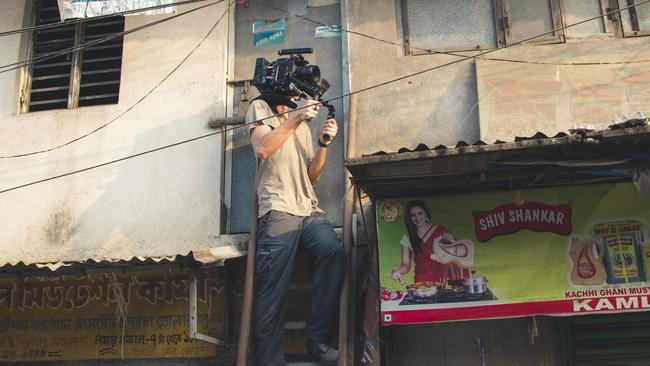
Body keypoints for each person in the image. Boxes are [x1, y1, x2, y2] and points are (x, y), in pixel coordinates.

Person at [248, 93, 346, 366]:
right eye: (295, 93)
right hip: (278, 209)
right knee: (272, 289)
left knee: (333, 253)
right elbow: (263, 149)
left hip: (308, 210)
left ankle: (317, 344)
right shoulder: (261, 108)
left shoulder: (302, 126)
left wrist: (323, 143)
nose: (298, 98)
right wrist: (295, 117)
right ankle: (270, 362)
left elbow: (312, 177)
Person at [390, 200, 464, 285]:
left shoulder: (440, 230)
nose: (417, 218)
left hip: (443, 281)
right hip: (421, 283)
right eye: (413, 215)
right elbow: (405, 265)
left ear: (426, 213)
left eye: (420, 213)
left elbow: (459, 252)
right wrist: (397, 271)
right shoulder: (407, 238)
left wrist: (452, 241)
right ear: (409, 218)